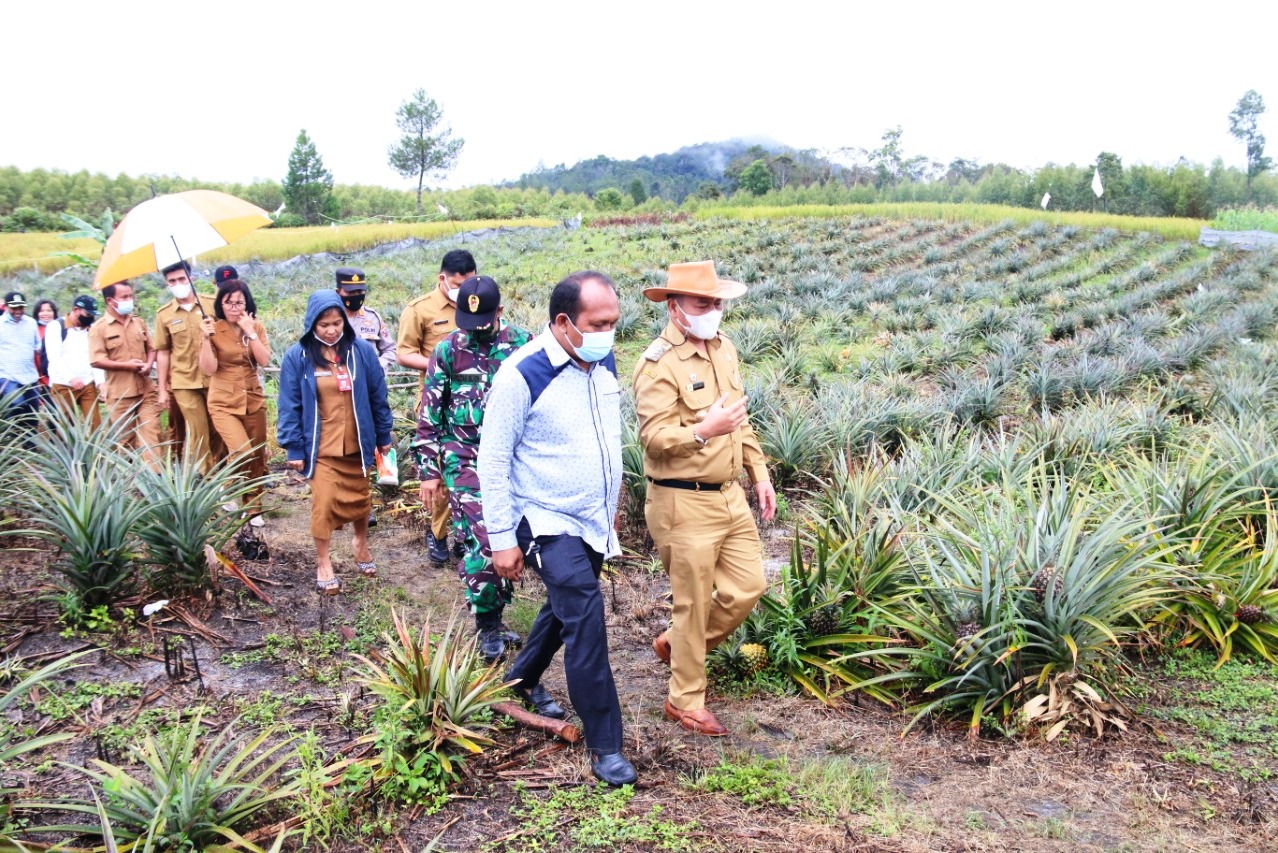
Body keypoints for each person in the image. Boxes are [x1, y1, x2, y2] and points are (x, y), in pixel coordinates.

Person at [478, 270, 636, 786]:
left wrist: (610, 504)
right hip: (543, 516)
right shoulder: (521, 374)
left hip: (591, 517)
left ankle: (521, 680)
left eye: (613, 322)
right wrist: (502, 539)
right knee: (585, 614)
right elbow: (492, 461)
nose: (609, 333)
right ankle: (606, 745)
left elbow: (605, 439)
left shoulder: (601, 360)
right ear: (564, 322)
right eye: (599, 323)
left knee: (566, 605)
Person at [634, 260, 777, 737]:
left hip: (729, 496)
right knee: (693, 605)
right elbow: (654, 439)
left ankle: (678, 646)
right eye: (702, 303)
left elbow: (740, 420)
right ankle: (685, 700)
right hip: (683, 501)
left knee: (748, 587)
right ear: (674, 308)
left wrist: (759, 472)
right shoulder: (658, 364)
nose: (713, 310)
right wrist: (702, 431)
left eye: (717, 302)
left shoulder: (724, 348)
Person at [413, 275, 533, 662]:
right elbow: (430, 415)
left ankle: (496, 609)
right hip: (465, 458)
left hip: (514, 459)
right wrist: (429, 471)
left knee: (511, 536)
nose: (475, 331)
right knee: (485, 537)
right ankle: (488, 625)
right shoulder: (448, 350)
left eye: (483, 323)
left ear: (501, 311)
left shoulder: (524, 346)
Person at [277, 291, 393, 595]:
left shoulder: (361, 352)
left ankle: (360, 543)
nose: (331, 330)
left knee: (361, 502)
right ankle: (323, 562)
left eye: (336, 323)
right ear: (312, 324)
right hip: (321, 446)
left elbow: (377, 395)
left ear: (344, 320)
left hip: (358, 443)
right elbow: (289, 404)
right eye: (324, 324)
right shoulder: (298, 357)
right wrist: (294, 447)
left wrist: (383, 435)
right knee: (324, 504)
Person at [398, 249, 475, 565]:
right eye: (457, 284)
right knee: (441, 474)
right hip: (437, 403)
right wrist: (440, 364)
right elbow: (404, 353)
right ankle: (438, 533)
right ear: (442, 278)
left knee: (469, 472)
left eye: (468, 283)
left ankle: (465, 536)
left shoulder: (477, 302)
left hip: (472, 403)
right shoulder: (419, 310)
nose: (463, 290)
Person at [200, 279, 271, 527]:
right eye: (228, 302)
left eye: (238, 302)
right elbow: (209, 369)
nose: (233, 307)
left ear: (247, 303)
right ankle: (226, 487)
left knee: (257, 456)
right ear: (220, 304)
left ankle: (253, 508)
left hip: (253, 399)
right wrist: (205, 339)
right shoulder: (213, 328)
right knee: (241, 451)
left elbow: (264, 360)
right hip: (223, 402)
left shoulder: (256, 327)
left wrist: (250, 332)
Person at [155, 261, 225, 475]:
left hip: (214, 377)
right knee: (197, 429)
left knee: (218, 428)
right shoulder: (164, 314)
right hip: (184, 381)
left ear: (191, 278)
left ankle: (223, 473)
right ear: (167, 284)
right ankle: (206, 477)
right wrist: (162, 389)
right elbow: (163, 352)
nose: (178, 284)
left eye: (181, 279)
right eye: (172, 281)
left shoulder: (211, 305)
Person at [89, 281, 163, 467]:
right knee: (125, 440)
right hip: (120, 394)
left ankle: (155, 476)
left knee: (151, 433)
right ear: (110, 301)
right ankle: (128, 478)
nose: (129, 300)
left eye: (130, 296)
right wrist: (126, 366)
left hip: (146, 389)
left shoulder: (138, 322)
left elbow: (152, 348)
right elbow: (96, 360)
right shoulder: (99, 328)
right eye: (124, 297)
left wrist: (148, 364)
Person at [45, 295, 102, 428]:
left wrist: (100, 382)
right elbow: (54, 357)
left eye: (92, 315)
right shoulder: (56, 326)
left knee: (95, 424)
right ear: (76, 310)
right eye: (87, 314)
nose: (90, 318)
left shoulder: (91, 328)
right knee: (65, 426)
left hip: (87, 382)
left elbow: (95, 355)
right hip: (63, 384)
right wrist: (71, 378)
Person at [336, 267, 396, 374]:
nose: (356, 295)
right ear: (338, 292)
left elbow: (390, 349)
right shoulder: (329, 319)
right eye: (350, 292)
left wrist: (378, 366)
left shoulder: (372, 317)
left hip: (369, 379)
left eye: (360, 291)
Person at [0, 292, 41, 428]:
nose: (18, 311)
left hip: (30, 376)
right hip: (8, 377)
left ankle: (30, 440)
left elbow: (37, 346)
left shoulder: (31, 323)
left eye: (21, 307)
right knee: (15, 406)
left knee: (32, 411)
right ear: (6, 307)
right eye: (14, 308)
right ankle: (12, 437)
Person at [32, 299, 57, 392]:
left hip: (60, 376)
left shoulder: (61, 328)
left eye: (49, 310)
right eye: (42, 311)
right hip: (41, 377)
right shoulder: (34, 329)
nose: (45, 313)